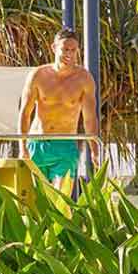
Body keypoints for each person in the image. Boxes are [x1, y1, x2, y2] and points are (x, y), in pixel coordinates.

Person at [18, 29, 100, 188]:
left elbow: (90, 119)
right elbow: (25, 114)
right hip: (38, 143)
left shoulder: (84, 79)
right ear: (54, 48)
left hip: (65, 145)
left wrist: (95, 151)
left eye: (73, 50)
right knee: (34, 200)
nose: (69, 54)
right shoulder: (38, 75)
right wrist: (22, 147)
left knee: (61, 201)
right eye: (64, 49)